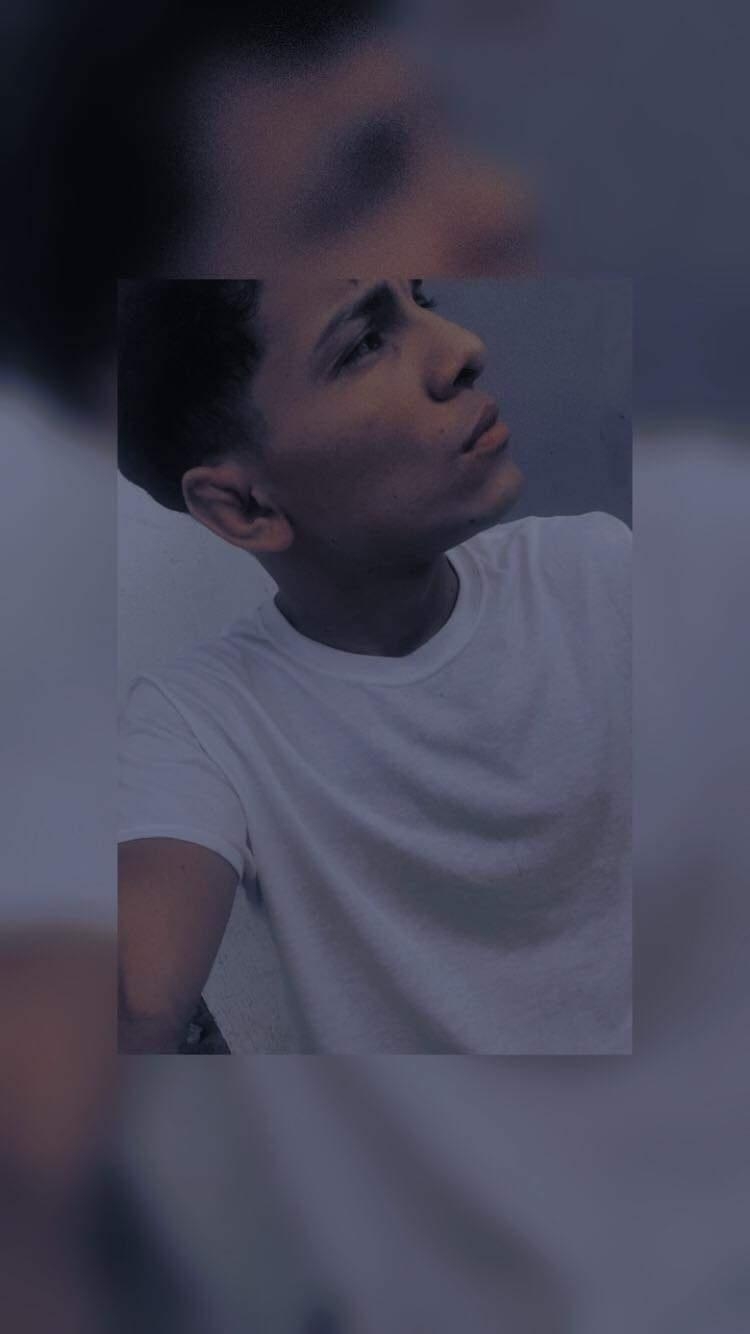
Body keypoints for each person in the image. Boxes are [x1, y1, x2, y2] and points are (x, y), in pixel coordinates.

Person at [117, 277, 631, 1054]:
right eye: (362, 344)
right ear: (245, 507)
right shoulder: (199, 723)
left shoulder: (598, 573)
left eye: (424, 300)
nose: (463, 350)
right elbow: (137, 999)